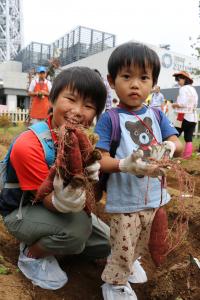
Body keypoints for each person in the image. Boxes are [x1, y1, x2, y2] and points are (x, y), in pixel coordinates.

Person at [0, 67, 110, 290]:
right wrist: (65, 200)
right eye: (71, 99)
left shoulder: (82, 142)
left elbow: (92, 191)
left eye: (88, 106)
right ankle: (31, 254)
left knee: (107, 241)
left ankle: (63, 246)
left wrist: (89, 179)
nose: (78, 111)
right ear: (52, 99)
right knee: (78, 230)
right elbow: (46, 199)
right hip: (21, 210)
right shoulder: (29, 144)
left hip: (55, 209)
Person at [94, 42, 183, 300]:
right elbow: (100, 159)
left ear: (153, 83)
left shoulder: (156, 115)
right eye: (126, 77)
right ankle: (114, 283)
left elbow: (177, 143)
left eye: (143, 78)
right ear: (112, 81)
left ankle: (129, 263)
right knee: (123, 242)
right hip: (125, 200)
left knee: (141, 241)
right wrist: (124, 165)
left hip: (154, 197)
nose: (135, 85)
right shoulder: (110, 118)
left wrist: (168, 145)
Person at [172, 70, 198, 159]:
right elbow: (195, 104)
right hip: (193, 117)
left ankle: (169, 155)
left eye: (178, 80)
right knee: (188, 137)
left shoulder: (183, 89)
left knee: (174, 135)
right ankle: (187, 156)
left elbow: (181, 103)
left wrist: (174, 104)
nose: (177, 82)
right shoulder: (193, 89)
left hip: (183, 117)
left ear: (184, 79)